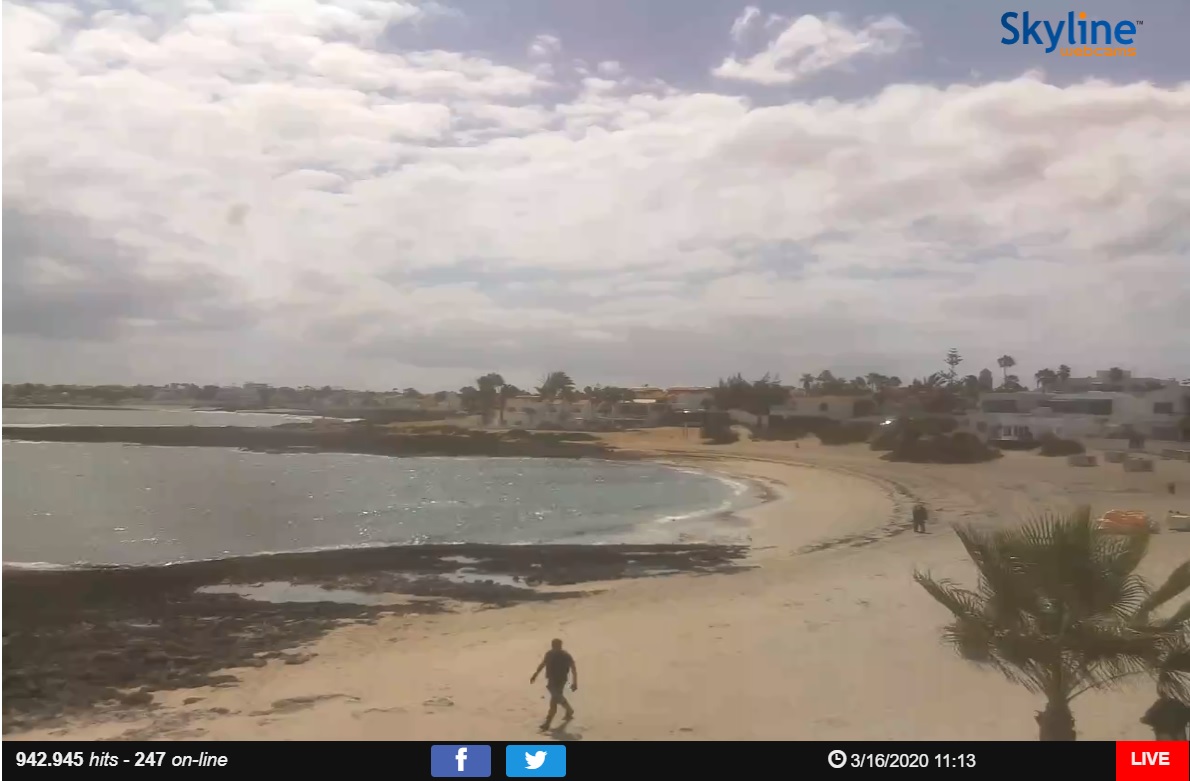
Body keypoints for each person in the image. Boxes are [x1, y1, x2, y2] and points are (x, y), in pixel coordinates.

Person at [530, 638, 577, 731]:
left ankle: (547, 723)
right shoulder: (549, 654)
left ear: (560, 646)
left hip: (561, 681)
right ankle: (569, 710)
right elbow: (543, 664)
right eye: (555, 646)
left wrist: (575, 682)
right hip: (551, 680)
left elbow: (573, 668)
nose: (556, 648)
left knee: (554, 700)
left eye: (558, 646)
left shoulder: (565, 656)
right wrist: (535, 675)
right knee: (557, 697)